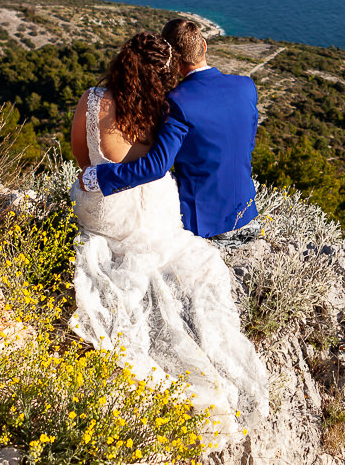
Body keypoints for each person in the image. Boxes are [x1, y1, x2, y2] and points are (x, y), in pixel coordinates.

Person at [68, 29, 269, 437]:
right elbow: (162, 165)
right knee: (177, 253)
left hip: (103, 211)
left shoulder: (92, 102)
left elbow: (80, 153)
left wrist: (96, 178)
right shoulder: (167, 108)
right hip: (156, 209)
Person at [79, 18, 261, 246]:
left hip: (205, 226)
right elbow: (247, 145)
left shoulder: (176, 101)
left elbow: (156, 167)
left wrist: (97, 178)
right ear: (204, 45)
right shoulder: (246, 86)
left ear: (171, 58)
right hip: (247, 215)